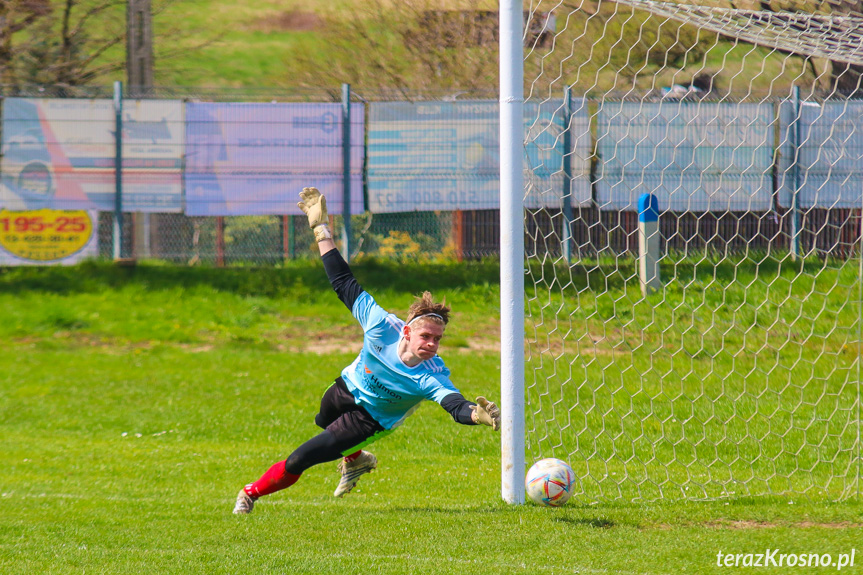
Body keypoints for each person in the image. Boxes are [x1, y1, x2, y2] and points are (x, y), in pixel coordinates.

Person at [233, 187, 501, 514]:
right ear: (406, 331)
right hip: (346, 387)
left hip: (369, 419)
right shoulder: (379, 324)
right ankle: (358, 460)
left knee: (301, 458)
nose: (432, 344)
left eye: (438, 339)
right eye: (427, 336)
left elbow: (454, 405)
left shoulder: (431, 376)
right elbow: (343, 282)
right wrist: (320, 230)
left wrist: (476, 414)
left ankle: (249, 494)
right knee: (324, 418)